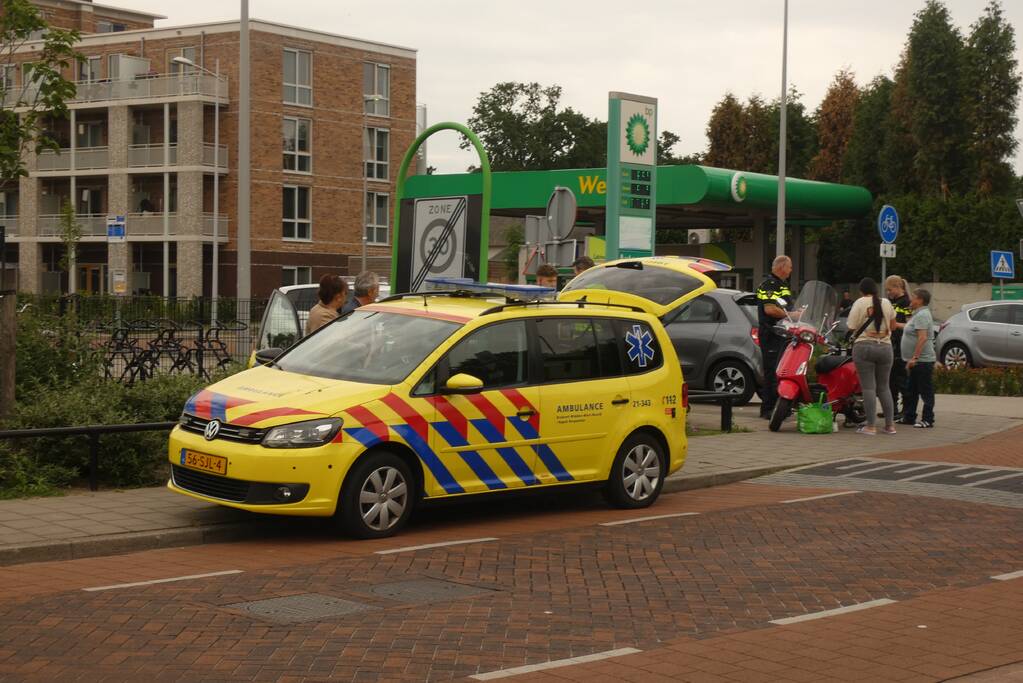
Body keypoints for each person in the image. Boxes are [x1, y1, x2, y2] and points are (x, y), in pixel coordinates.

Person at [846, 277, 897, 435]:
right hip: (885, 347)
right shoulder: (887, 303)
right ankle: (890, 426)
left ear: (861, 291)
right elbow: (893, 326)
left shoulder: (859, 303)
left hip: (864, 347)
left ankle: (871, 426)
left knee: (868, 387)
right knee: (884, 387)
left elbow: (851, 326)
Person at [756, 255, 795, 419]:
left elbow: (785, 306)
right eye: (790, 267)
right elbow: (770, 309)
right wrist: (792, 314)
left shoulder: (782, 285)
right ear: (781, 267)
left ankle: (781, 408)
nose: (791, 270)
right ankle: (768, 409)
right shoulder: (769, 285)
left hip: (782, 334)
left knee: (781, 372)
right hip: (771, 334)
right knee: (772, 372)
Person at [899, 288, 936, 429]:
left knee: (925, 391)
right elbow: (911, 329)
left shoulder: (922, 315)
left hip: (922, 361)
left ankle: (928, 419)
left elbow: (922, 337)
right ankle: (909, 416)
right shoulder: (918, 314)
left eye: (913, 297)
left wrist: (915, 357)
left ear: (920, 300)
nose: (910, 300)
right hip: (916, 361)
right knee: (912, 390)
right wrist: (897, 325)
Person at [884, 275, 912, 419]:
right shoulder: (890, 302)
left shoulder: (906, 302)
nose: (888, 293)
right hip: (890, 342)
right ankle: (891, 408)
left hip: (902, 343)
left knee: (902, 378)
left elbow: (910, 324)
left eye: (890, 290)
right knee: (890, 379)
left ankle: (906, 410)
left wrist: (895, 325)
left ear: (897, 287)